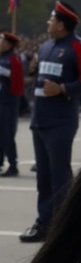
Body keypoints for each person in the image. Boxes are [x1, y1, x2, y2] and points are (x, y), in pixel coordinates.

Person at [22, 2, 81, 242]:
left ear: (62, 25)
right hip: (40, 118)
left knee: (60, 174)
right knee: (43, 176)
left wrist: (64, 88)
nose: (47, 23)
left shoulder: (78, 46)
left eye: (51, 20)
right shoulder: (45, 47)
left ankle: (67, 226)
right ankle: (44, 222)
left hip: (61, 121)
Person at [0, 32, 23, 176]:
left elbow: (17, 82)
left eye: (1, 40)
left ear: (8, 44)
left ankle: (13, 165)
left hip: (8, 103)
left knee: (8, 135)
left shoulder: (13, 59)